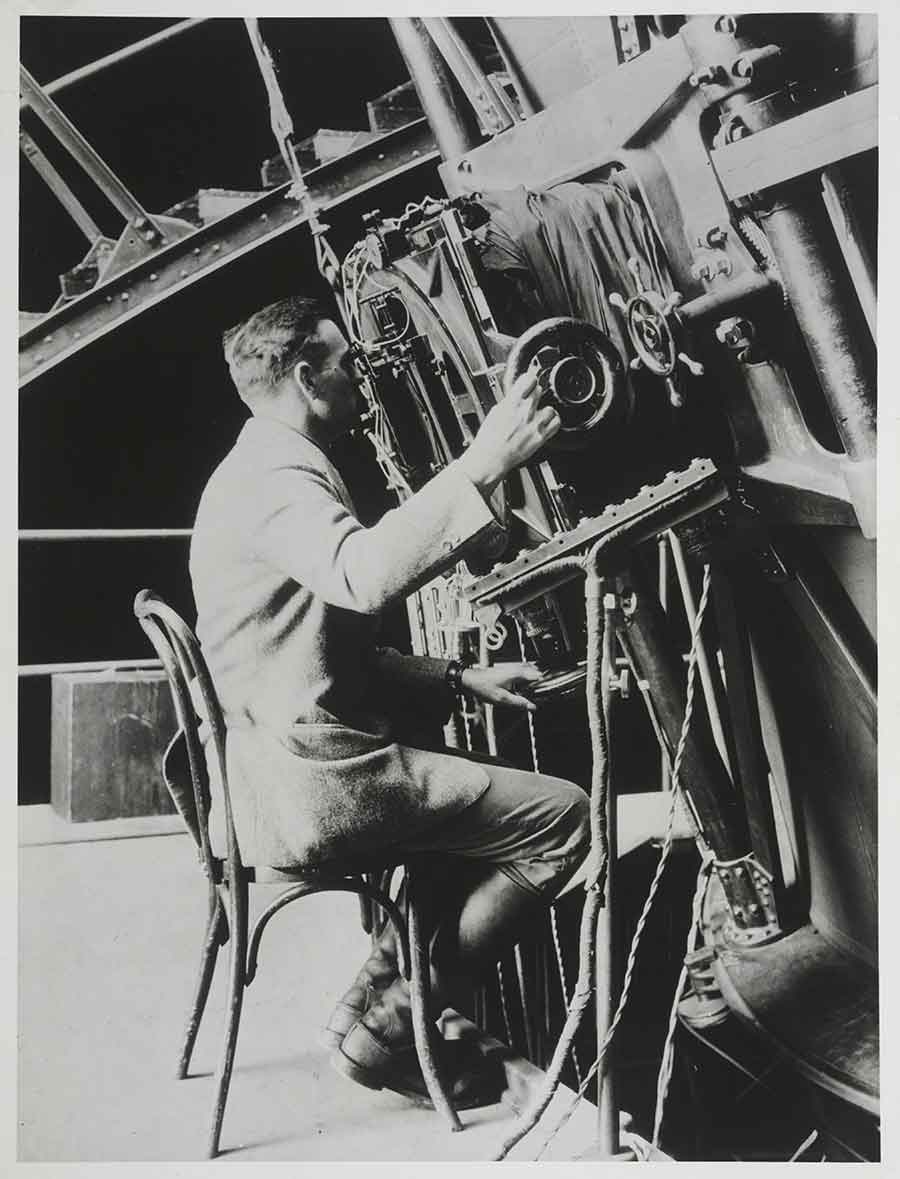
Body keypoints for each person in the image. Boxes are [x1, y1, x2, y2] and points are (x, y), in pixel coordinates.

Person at [190, 294, 590, 1104]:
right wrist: (482, 461)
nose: (361, 379)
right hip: (310, 784)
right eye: (348, 364)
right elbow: (364, 574)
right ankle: (397, 1023)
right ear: (307, 377)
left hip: (274, 764)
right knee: (565, 818)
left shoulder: (256, 466)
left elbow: (313, 651)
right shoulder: (276, 476)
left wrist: (455, 679)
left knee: (460, 811)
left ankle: (366, 1007)